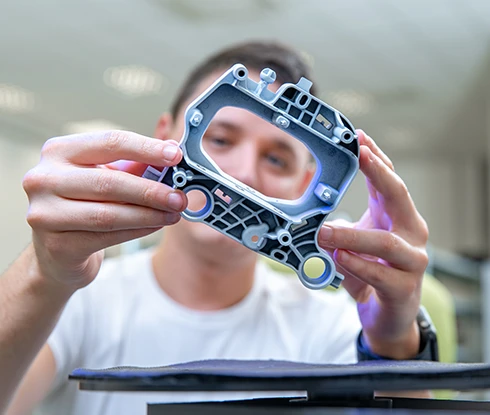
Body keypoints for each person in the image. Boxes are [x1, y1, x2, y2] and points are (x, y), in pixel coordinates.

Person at [1, 41, 429, 415]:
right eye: (221, 139)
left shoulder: (328, 325)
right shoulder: (80, 303)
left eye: (277, 158)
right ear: (166, 137)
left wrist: (392, 342)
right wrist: (45, 273)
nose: (242, 172)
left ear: (307, 185)